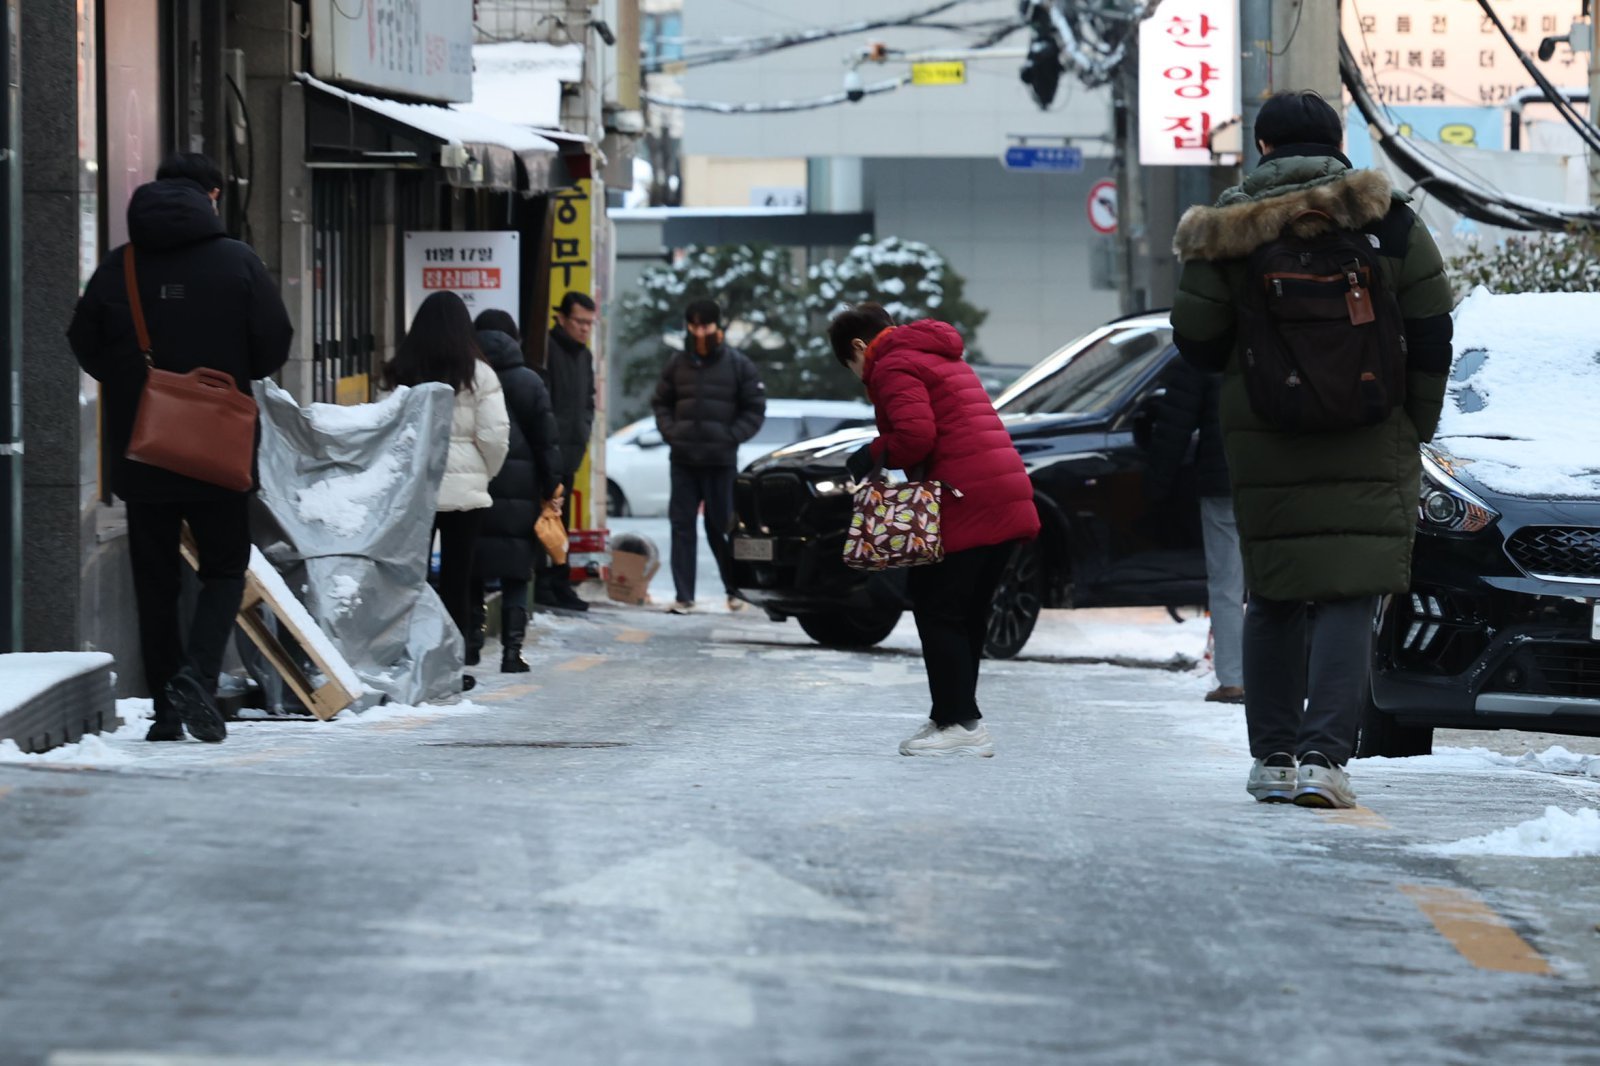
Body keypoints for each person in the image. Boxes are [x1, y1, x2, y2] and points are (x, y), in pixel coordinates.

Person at [1169, 90, 1454, 808]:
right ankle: (1326, 760)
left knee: (1274, 594)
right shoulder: (1388, 221)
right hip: (1372, 427)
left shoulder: (1225, 228)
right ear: (1338, 144)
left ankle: (1272, 760)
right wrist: (1413, 421)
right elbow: (1431, 329)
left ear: (1261, 147)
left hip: (1268, 437)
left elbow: (1196, 343)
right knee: (1349, 595)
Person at [66, 152, 293, 744]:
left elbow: (82, 340)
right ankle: (197, 674)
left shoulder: (121, 265)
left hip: (142, 449)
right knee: (223, 568)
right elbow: (271, 348)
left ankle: (169, 710)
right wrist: (220, 376)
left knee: (154, 578)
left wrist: (132, 383)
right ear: (211, 197)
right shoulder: (237, 262)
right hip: (219, 447)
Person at [828, 304, 1040, 758]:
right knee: (966, 612)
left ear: (859, 347)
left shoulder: (892, 364)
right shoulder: (936, 353)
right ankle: (955, 718)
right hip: (1000, 491)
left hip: (967, 496)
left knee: (936, 606)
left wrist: (871, 455)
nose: (860, 375)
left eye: (853, 366)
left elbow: (915, 436)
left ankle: (960, 723)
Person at [381, 291, 509, 691]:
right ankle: (450, 668)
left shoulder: (401, 369)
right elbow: (495, 436)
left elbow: (386, 428)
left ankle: (405, 659)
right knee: (457, 578)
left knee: (409, 576)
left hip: (414, 491)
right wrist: (483, 475)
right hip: (465, 492)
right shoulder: (479, 374)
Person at [652, 298, 767, 614]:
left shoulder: (738, 364)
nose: (700, 332)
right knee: (682, 527)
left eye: (705, 326)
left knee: (722, 528)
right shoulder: (677, 363)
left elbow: (755, 408)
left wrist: (731, 436)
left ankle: (734, 591)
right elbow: (660, 402)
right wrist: (671, 432)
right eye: (694, 326)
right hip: (683, 460)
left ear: (718, 327)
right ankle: (684, 596)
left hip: (720, 461)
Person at [1143, 358, 1245, 705]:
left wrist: (1156, 488)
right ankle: (1276, 678)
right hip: (1276, 482)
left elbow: (1174, 425)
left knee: (1226, 583)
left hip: (1221, 480)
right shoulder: (1284, 331)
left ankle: (1234, 680)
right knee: (1274, 586)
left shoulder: (1205, 348)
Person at [468, 309, 562, 673]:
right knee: (516, 572)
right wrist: (552, 484)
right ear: (514, 339)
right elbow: (547, 442)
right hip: (522, 491)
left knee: (472, 569)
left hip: (476, 483)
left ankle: (471, 646)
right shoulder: (530, 381)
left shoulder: (467, 378)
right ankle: (511, 652)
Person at [536, 292, 598, 613]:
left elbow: (588, 400)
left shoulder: (584, 356)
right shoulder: (548, 349)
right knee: (544, 518)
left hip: (572, 451)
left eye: (590, 323)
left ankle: (560, 582)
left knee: (563, 521)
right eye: (579, 322)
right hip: (548, 450)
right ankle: (543, 583)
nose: (585, 329)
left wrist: (585, 429)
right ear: (562, 319)